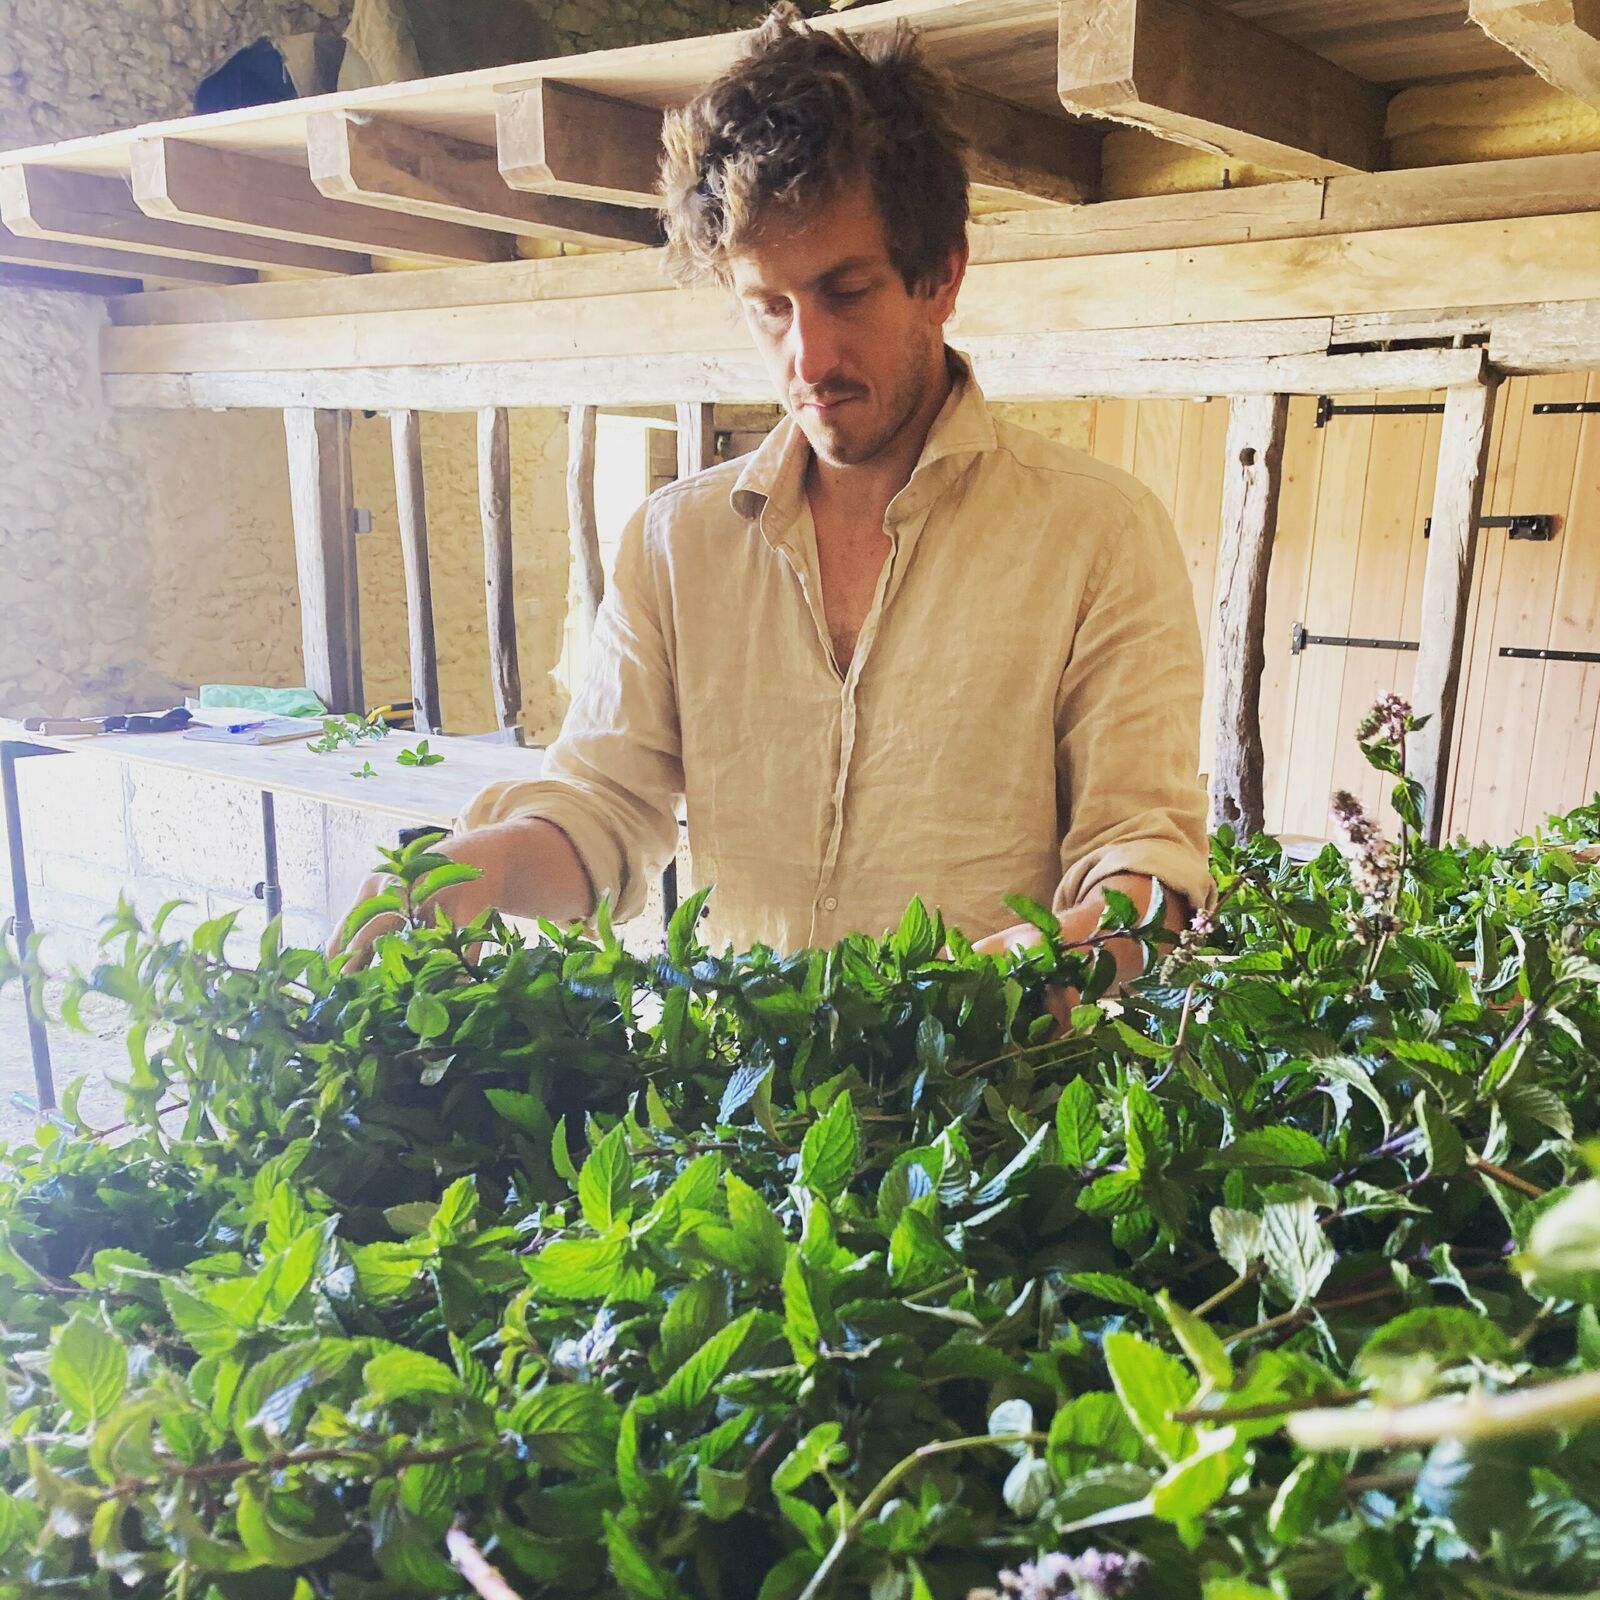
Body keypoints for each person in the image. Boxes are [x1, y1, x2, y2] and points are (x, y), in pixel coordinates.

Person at [333, 3, 1212, 983]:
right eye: (769, 307)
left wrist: (1019, 981)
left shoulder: (1099, 533)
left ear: (941, 275)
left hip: (1003, 1081)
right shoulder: (676, 542)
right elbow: (601, 809)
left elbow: (1146, 863)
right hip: (742, 1078)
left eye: (847, 292)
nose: (809, 356)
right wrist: (466, 872)